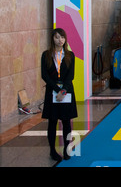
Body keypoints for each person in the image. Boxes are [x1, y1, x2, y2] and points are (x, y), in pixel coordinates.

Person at [41, 28, 77, 161]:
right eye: (57, 37)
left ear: (65, 39)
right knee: (52, 122)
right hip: (52, 92)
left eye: (62, 37)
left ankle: (67, 149)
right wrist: (57, 90)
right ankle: (52, 150)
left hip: (66, 92)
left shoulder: (70, 55)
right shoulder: (46, 55)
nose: (60, 40)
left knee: (67, 122)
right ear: (52, 39)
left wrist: (63, 91)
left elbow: (70, 75)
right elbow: (44, 75)